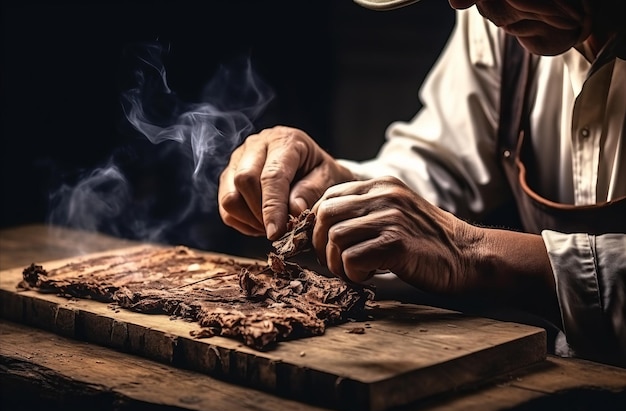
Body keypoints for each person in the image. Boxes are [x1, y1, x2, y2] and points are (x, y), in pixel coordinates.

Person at [217, 0, 626, 367]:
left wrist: (474, 252)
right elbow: (444, 162)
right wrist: (340, 188)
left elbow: (452, 240)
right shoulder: (498, 20)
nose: (464, 3)